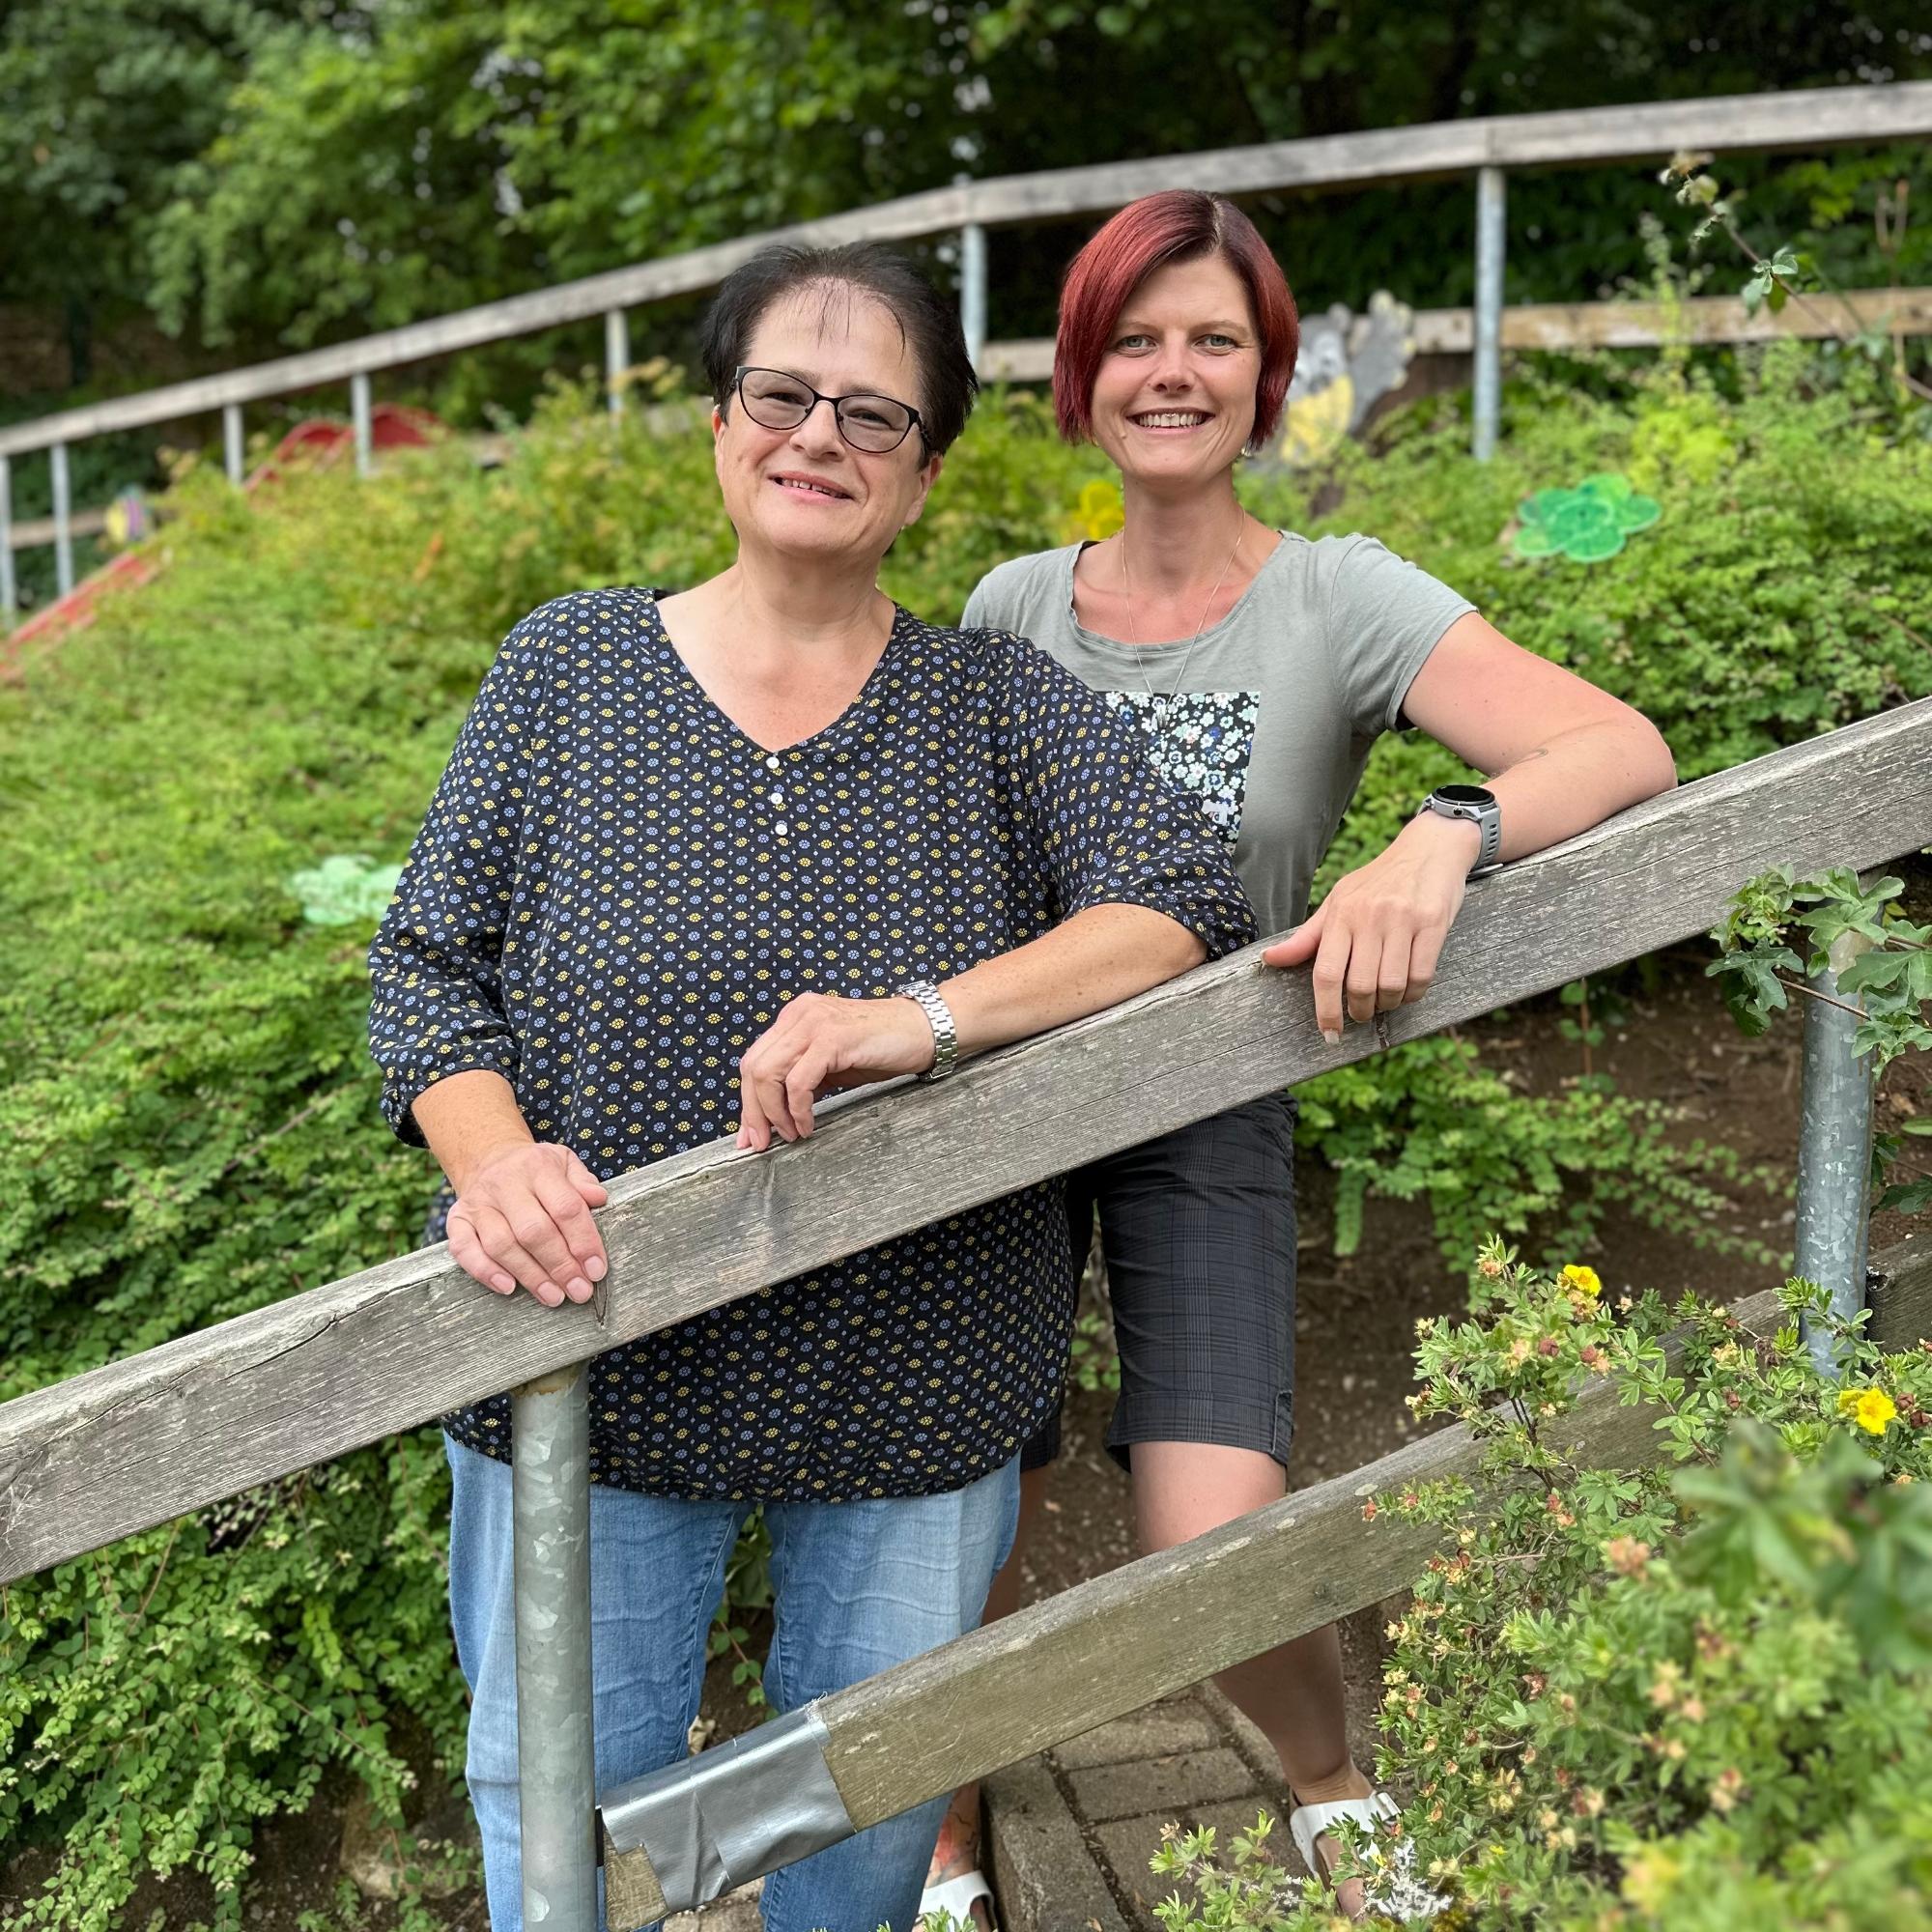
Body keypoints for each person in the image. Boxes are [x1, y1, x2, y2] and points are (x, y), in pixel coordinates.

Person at [366, 239, 1255, 1932]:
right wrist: (491, 1164)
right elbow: (427, 969)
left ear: (924, 475)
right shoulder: (569, 671)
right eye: (782, 394)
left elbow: (1180, 900)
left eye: (874, 413)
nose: (818, 435)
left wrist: (920, 1014)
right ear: (719, 422)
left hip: (918, 1362)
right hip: (592, 1354)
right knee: (561, 1823)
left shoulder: (992, 702)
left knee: (855, 1820)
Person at [922, 190, 1676, 1926]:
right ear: (1081, 371)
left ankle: (1333, 1791)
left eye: (1214, 340)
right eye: (1134, 337)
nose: (1170, 371)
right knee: (957, 1511)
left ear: (1270, 375)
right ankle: (946, 1851)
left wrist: (1443, 837)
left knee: (1218, 1543)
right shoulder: (1009, 604)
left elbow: (1609, 742)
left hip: (1208, 1102)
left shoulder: (1339, 597)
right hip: (991, 1116)